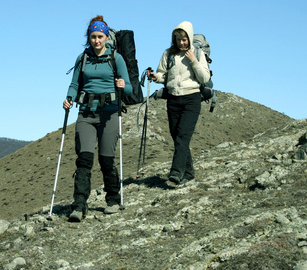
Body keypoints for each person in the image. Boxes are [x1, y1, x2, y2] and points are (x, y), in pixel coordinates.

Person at [63, 15, 132, 222]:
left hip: (109, 113)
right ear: (89, 37)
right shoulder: (82, 58)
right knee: (84, 159)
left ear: (106, 37)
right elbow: (75, 84)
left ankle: (112, 200)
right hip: (85, 113)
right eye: (93, 37)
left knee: (106, 158)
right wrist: (69, 98)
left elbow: (128, 87)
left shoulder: (116, 58)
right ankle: (79, 205)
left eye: (100, 36)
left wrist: (122, 86)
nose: (97, 41)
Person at [147, 21, 210, 185]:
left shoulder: (197, 53)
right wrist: (156, 77)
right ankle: (189, 173)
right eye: (178, 39)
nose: (181, 42)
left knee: (182, 136)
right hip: (173, 99)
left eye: (184, 39)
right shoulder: (168, 54)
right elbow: (163, 75)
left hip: (192, 99)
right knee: (177, 138)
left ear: (189, 37)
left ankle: (175, 173)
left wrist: (194, 60)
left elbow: (204, 78)